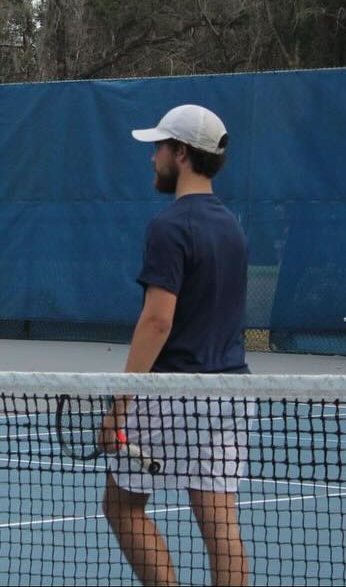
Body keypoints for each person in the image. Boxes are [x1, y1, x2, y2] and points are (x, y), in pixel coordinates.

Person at [99, 104, 251, 587]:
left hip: (171, 394)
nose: (153, 158)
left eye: (159, 148)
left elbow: (157, 322)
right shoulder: (232, 226)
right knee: (219, 523)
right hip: (230, 395)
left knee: (121, 506)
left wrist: (118, 406)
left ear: (181, 154)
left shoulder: (168, 227)